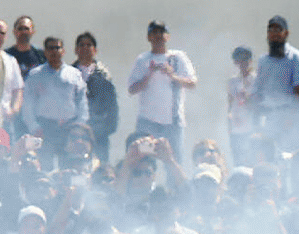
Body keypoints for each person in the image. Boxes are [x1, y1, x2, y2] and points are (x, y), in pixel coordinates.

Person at [127, 21, 197, 162]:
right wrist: (149, 75)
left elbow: (192, 83)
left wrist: (172, 75)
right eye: (154, 33)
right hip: (147, 122)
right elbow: (132, 89)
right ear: (148, 37)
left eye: (161, 32)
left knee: (174, 160)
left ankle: (173, 185)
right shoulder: (142, 60)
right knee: (144, 158)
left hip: (173, 122)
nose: (158, 36)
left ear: (168, 37)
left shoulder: (178, 57)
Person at [21, 37, 90, 166]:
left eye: (57, 48)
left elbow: (82, 102)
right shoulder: (35, 75)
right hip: (45, 128)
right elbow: (27, 105)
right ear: (45, 52)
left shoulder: (74, 74)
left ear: (63, 51)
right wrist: (34, 127)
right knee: (45, 165)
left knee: (69, 165)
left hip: (69, 128)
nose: (54, 51)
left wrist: (79, 126)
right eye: (50, 48)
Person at [254, 16, 299, 150]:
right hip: (269, 117)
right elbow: (258, 89)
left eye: (278, 30)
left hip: (288, 115)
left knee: (289, 154)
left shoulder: (296, 57)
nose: (274, 34)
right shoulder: (263, 60)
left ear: (286, 33)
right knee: (267, 153)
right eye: (271, 30)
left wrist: (290, 117)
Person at [73, 32, 120, 164]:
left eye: (89, 45)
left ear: (95, 50)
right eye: (82, 45)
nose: (85, 48)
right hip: (74, 134)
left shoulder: (104, 76)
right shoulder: (68, 74)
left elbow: (112, 109)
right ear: (76, 50)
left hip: (99, 135)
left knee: (100, 168)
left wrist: (102, 130)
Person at [226, 46, 257, 166]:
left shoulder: (256, 80)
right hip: (236, 128)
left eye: (245, 59)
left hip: (252, 126)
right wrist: (229, 123)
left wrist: (247, 98)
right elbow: (230, 103)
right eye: (239, 60)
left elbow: (259, 105)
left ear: (250, 61)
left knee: (252, 159)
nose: (242, 63)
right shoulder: (232, 81)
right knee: (238, 160)